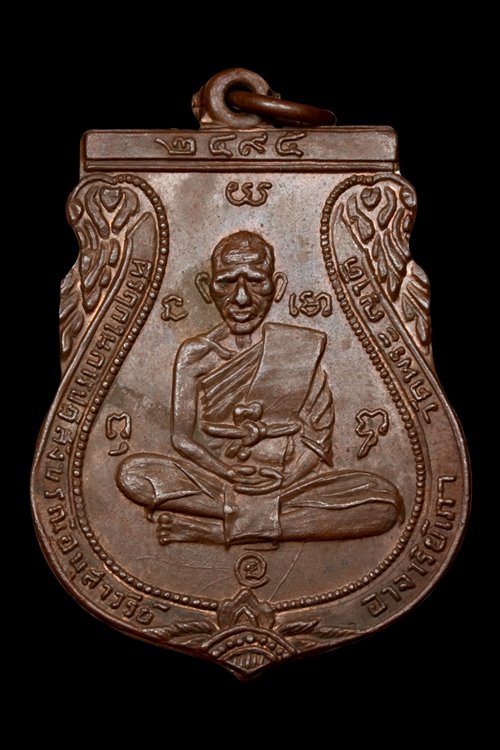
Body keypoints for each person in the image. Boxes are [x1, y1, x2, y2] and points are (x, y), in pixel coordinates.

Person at [117, 231, 403, 545]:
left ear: (276, 286)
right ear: (206, 287)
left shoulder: (297, 348)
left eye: (255, 281)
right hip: (219, 481)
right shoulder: (196, 354)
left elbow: (317, 438)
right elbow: (181, 439)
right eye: (227, 282)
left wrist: (285, 479)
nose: (241, 298)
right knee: (135, 475)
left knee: (383, 505)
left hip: (287, 484)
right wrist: (227, 473)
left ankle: (215, 529)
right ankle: (261, 518)